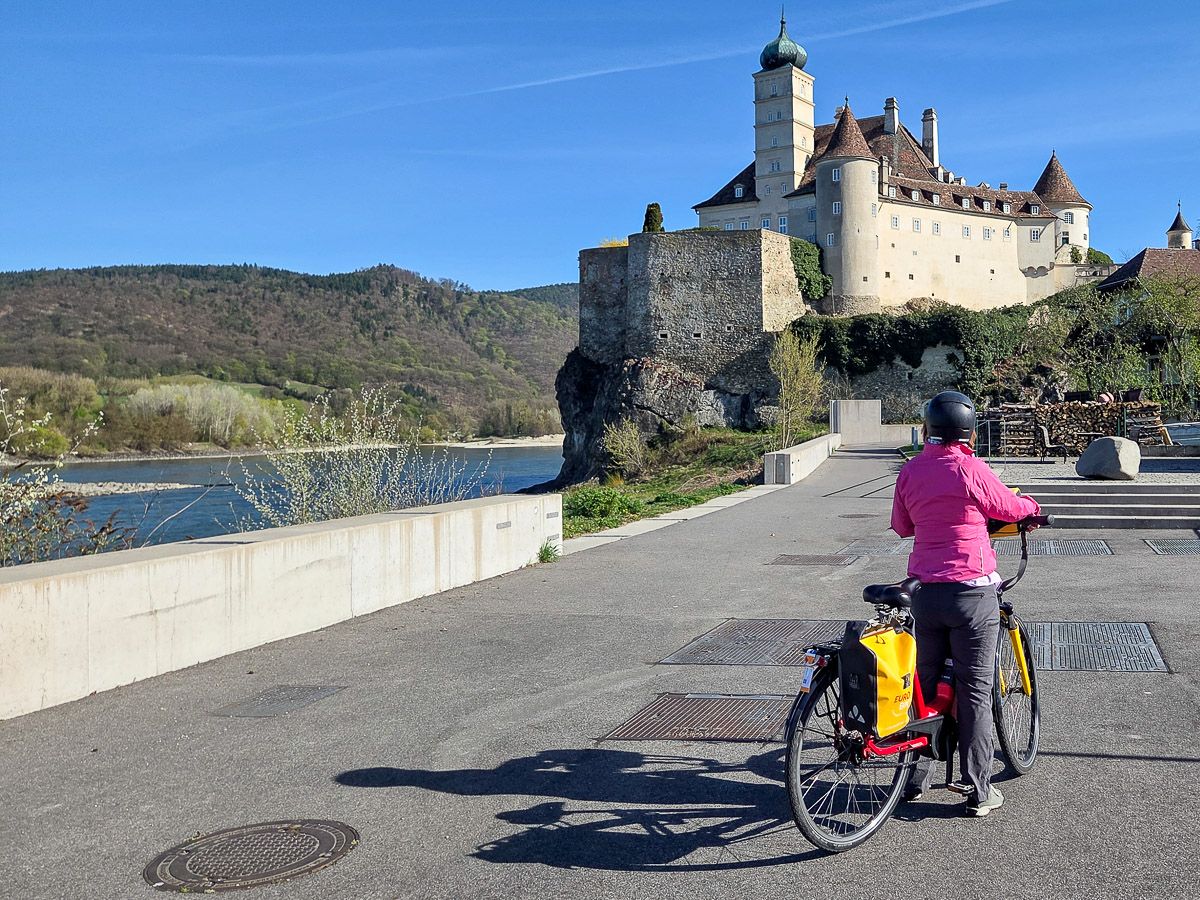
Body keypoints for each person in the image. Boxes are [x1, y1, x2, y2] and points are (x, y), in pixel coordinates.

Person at [890, 390, 1040, 817]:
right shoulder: (970, 467)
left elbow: (902, 526)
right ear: (969, 432)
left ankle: (912, 779)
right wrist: (1031, 507)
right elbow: (1008, 507)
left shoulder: (911, 470)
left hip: (924, 594)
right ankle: (979, 788)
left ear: (928, 429)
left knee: (921, 684)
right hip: (971, 594)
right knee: (975, 690)